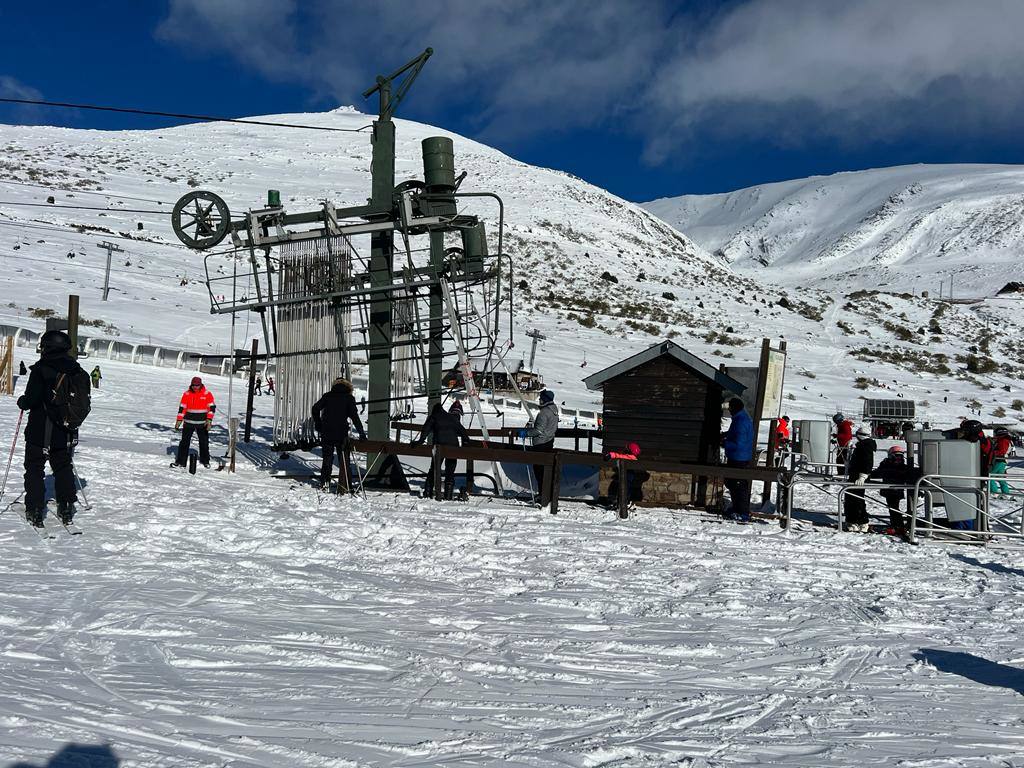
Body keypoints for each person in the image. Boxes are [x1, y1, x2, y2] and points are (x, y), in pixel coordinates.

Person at [16, 330, 88, 526]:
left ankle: (35, 507)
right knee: (63, 466)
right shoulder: (76, 370)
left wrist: (22, 401)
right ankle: (65, 506)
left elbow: (32, 399)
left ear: (48, 347)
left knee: (34, 467)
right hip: (66, 430)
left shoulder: (42, 369)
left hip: (41, 429)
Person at [311, 377, 366, 490]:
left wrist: (318, 424)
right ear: (348, 387)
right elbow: (354, 417)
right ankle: (346, 484)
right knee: (344, 460)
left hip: (326, 432)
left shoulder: (327, 396)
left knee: (327, 459)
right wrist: (361, 433)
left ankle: (324, 482)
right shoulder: (349, 398)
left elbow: (315, 408)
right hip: (341, 433)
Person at [414, 402, 469, 499]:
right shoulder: (451, 417)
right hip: (453, 447)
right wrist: (466, 442)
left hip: (439, 447)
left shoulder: (434, 417)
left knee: (434, 469)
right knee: (450, 471)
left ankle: (428, 493)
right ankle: (448, 496)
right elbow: (462, 431)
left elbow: (425, 430)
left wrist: (419, 441)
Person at [870, 445, 920, 538]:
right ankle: (896, 525)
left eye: (900, 456)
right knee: (892, 508)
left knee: (894, 508)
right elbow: (879, 472)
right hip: (889, 489)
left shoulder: (900, 467)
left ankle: (898, 526)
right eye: (896, 456)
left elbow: (907, 475)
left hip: (896, 490)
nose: (898, 458)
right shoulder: (887, 465)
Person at [520, 389, 558, 505]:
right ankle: (546, 494)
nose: (539, 400)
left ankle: (543, 495)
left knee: (539, 471)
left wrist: (526, 433)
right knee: (545, 471)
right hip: (548, 442)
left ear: (545, 399)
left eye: (541, 398)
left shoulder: (544, 412)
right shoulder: (554, 410)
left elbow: (538, 431)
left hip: (540, 444)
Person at [721, 398, 754, 521]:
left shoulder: (740, 421)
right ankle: (736, 508)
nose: (729, 411)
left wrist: (725, 444)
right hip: (737, 456)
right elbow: (734, 434)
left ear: (735, 408)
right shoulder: (740, 418)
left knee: (739, 486)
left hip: (739, 457)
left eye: (730, 408)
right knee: (732, 483)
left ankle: (742, 513)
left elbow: (739, 443)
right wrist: (725, 436)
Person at [173, 376, 216, 468]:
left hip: (202, 423)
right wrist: (179, 420)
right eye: (193, 385)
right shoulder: (187, 394)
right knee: (184, 442)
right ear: (191, 385)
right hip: (188, 423)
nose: (195, 387)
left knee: (204, 442)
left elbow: (211, 408)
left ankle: (205, 461)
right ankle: (181, 461)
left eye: (197, 385)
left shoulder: (207, 394)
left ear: (200, 385)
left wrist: (209, 419)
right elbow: (182, 408)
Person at [843, 424, 877, 532]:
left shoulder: (865, 446)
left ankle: (861, 522)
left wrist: (863, 476)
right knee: (851, 499)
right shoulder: (862, 445)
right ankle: (854, 521)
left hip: (858, 477)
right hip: (855, 475)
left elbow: (867, 463)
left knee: (856, 500)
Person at [603, 441, 649, 506]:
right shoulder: (633, 457)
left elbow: (618, 455)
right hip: (628, 475)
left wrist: (610, 455)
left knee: (623, 487)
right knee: (624, 487)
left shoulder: (628, 457)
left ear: (628, 450)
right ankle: (622, 500)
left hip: (627, 475)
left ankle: (620, 501)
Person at [990, 427, 1013, 499]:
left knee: (990, 476)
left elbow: (1002, 451)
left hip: (999, 460)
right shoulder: (1005, 439)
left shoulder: (1003, 440)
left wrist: (992, 453)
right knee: (1000, 477)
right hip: (1002, 460)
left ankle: (994, 493)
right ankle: (1006, 493)